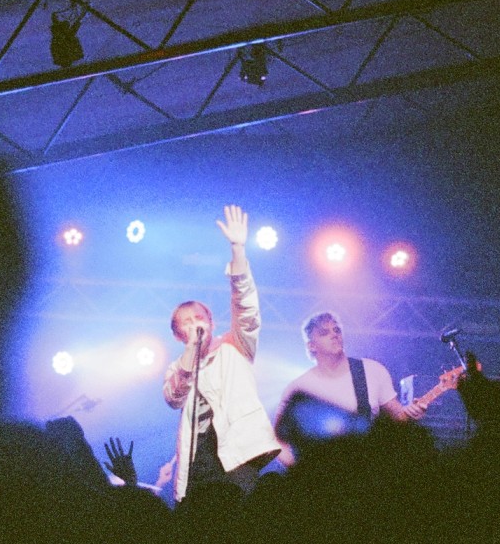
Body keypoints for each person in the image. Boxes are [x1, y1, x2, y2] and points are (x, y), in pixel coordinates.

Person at [162, 205, 279, 501]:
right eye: (186, 322)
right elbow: (173, 398)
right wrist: (192, 349)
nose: (194, 324)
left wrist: (238, 249)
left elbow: (246, 306)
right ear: (178, 335)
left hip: (237, 457)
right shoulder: (178, 367)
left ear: (212, 323)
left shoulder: (234, 346)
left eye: (199, 317)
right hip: (197, 465)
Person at [274, 312, 425, 466]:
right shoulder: (299, 387)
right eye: (324, 333)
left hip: (367, 470)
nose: (334, 335)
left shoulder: (372, 370)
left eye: (336, 330)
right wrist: (300, 469)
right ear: (311, 345)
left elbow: (398, 415)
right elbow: (278, 439)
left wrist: (412, 412)